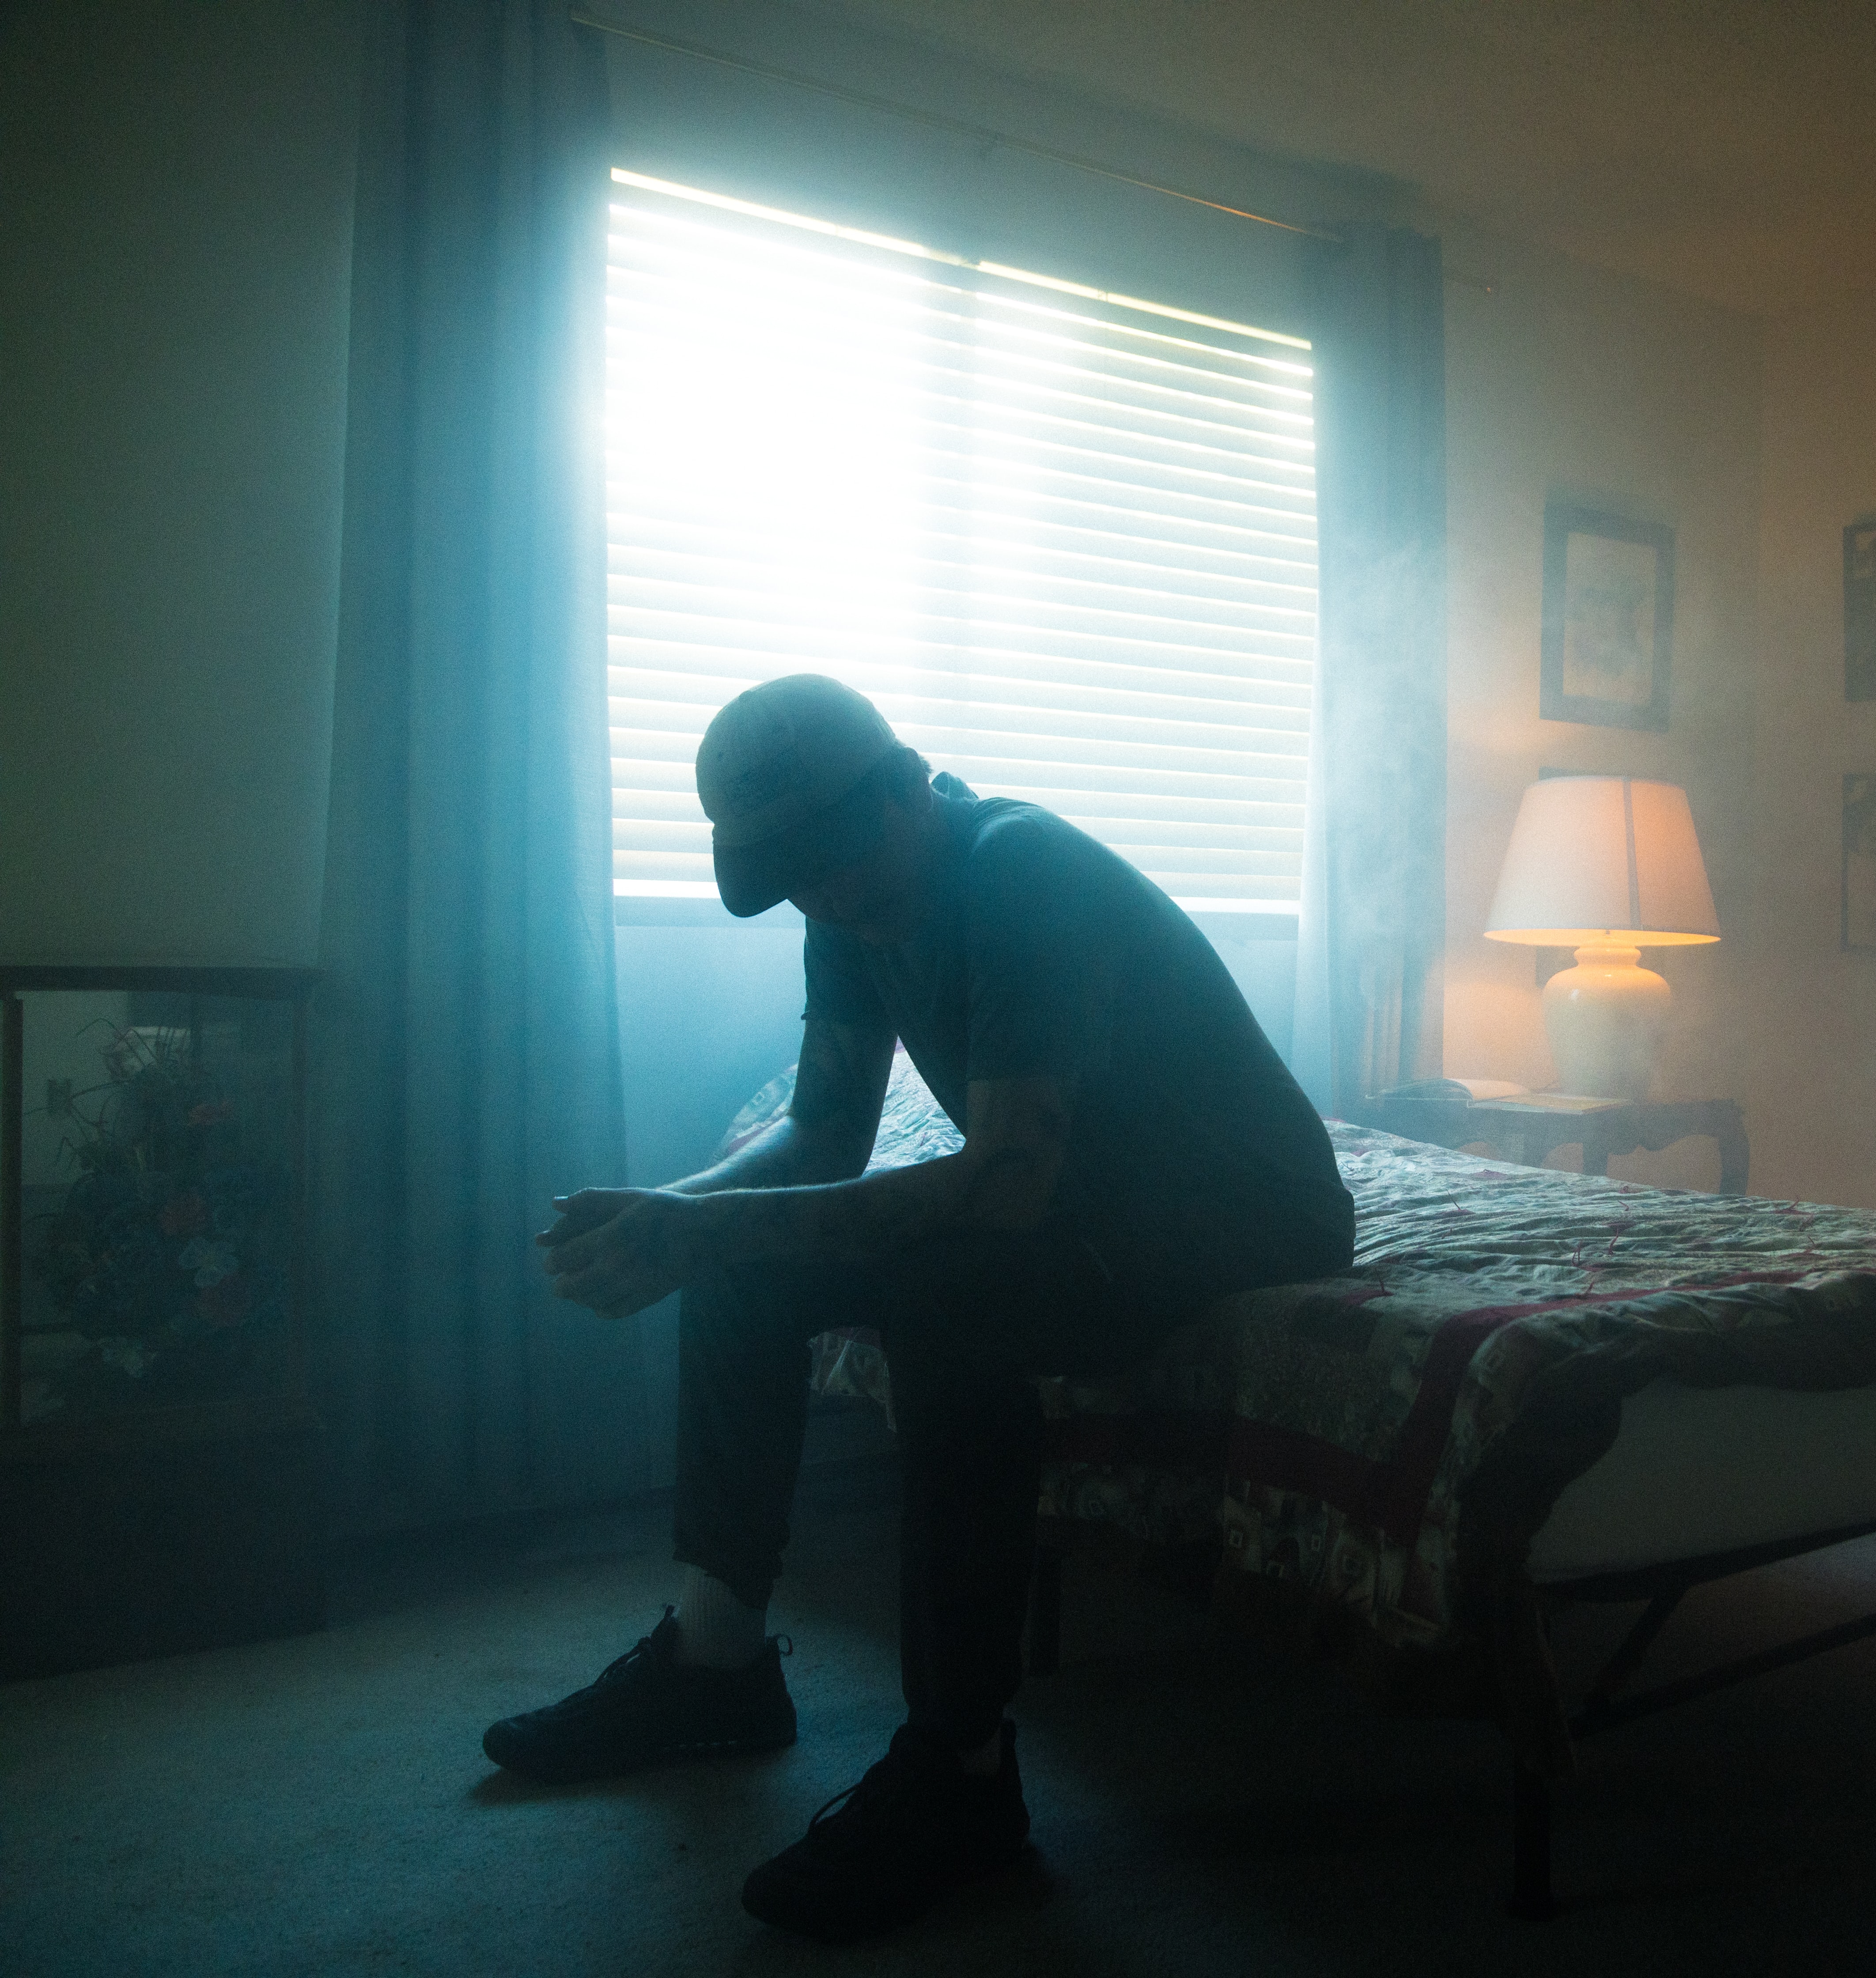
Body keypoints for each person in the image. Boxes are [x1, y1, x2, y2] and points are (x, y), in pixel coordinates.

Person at [485, 673, 1353, 1943]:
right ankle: (714, 1663)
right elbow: (823, 1127)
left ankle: (963, 1773)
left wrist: (707, 1223)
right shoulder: (848, 901)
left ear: (912, 787)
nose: (833, 899)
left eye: (840, 864)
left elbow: (1003, 1188)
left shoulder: (1020, 874)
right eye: (798, 881)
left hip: (1234, 1214)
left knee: (950, 1298)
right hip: (1073, 1195)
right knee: (739, 1268)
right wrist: (671, 1215)